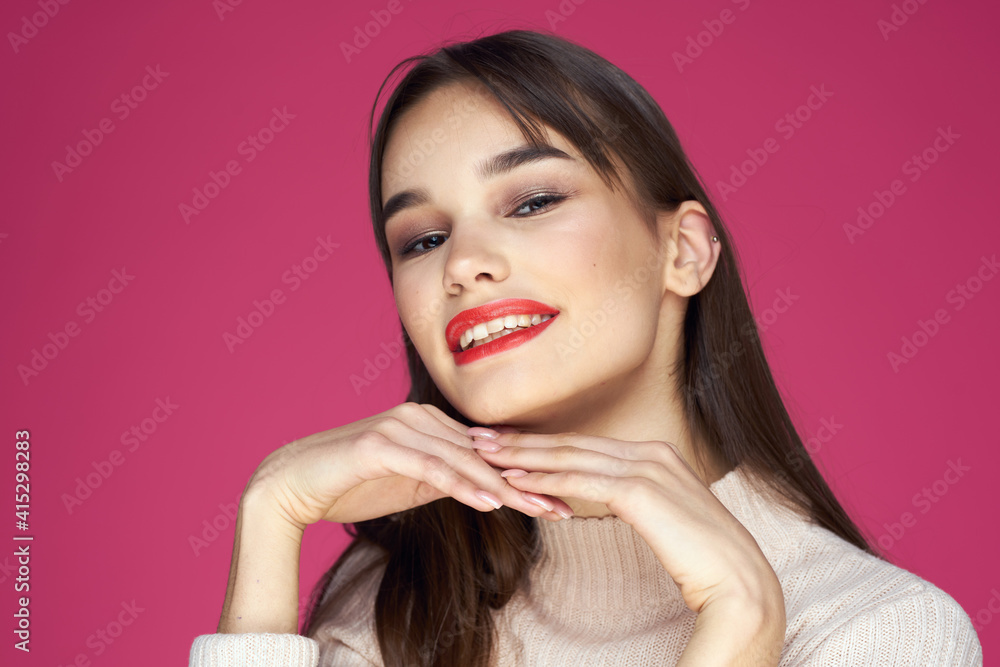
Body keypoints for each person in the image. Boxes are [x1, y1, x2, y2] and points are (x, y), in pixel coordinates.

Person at [188, 29, 983, 667]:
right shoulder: (390, 605)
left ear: (684, 250)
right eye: (423, 237)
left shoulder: (881, 633)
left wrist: (743, 620)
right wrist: (272, 512)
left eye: (532, 201)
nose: (463, 263)